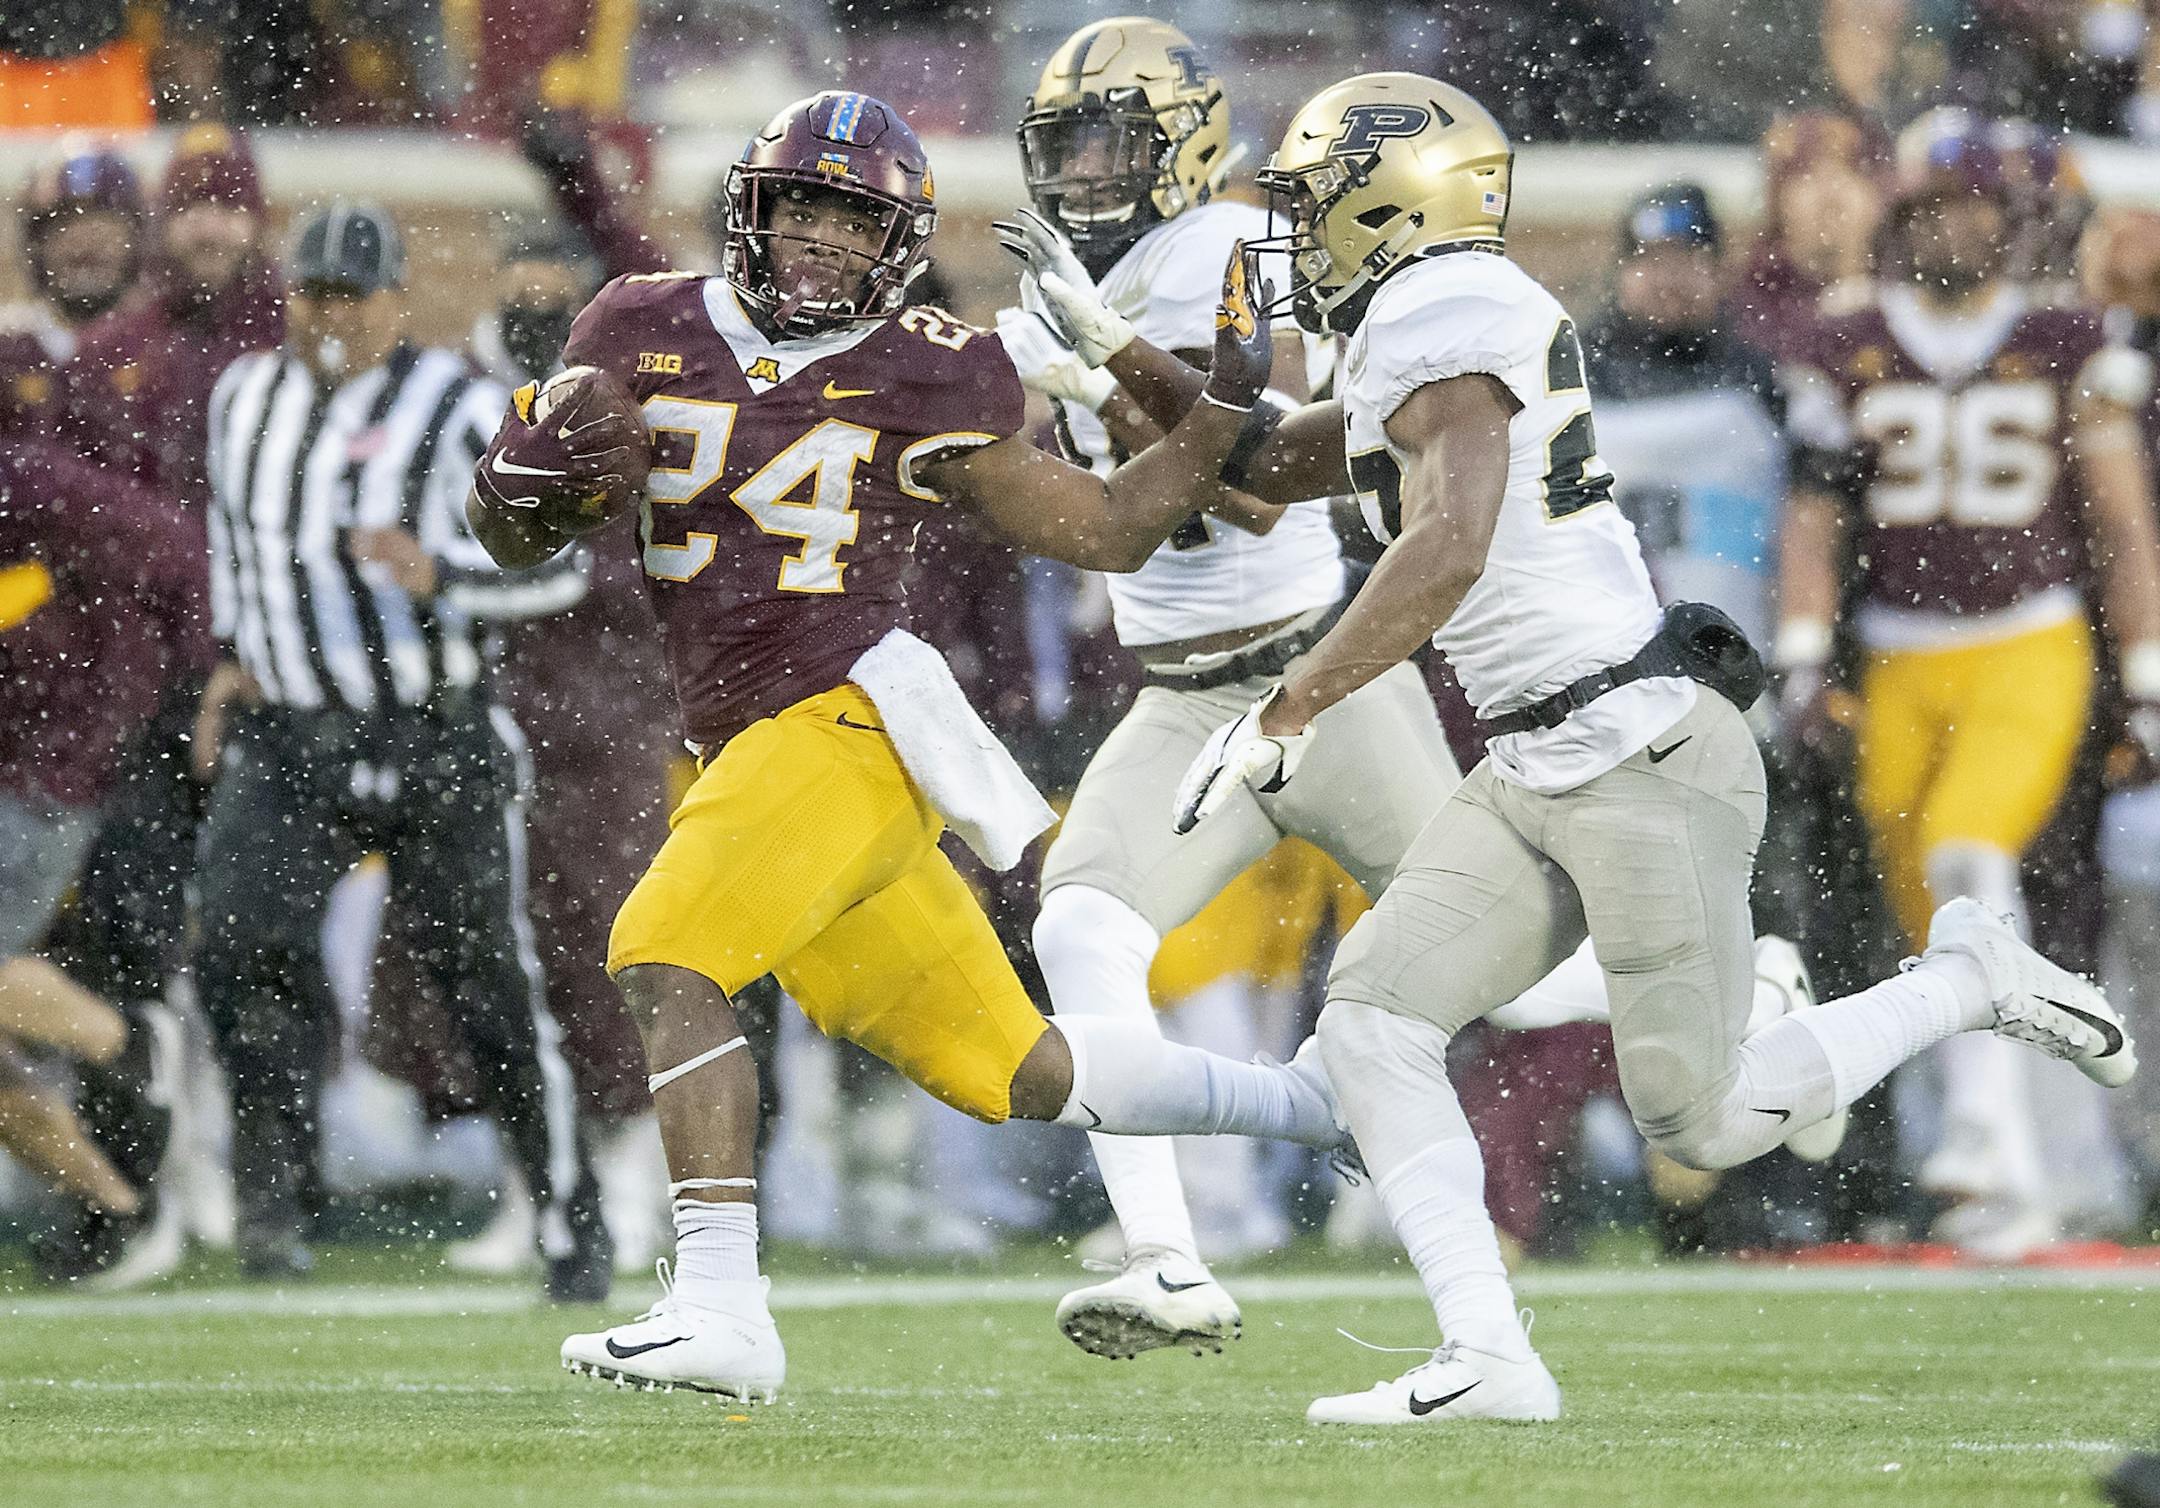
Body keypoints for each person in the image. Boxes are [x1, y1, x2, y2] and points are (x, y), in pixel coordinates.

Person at [1011, 70, 2138, 1424]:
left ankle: (1967, 978)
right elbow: (1257, 465)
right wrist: (1113, 352)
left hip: (1632, 747)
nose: (1291, 232)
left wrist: (1291, 703)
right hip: (1530, 759)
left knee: (1701, 1120)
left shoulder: (1446, 306)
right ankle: (1490, 1355)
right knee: (1371, 1025)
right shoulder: (1402, 323)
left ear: (1395, 200)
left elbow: (1450, 539)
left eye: (1314, 204)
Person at [467, 90, 1366, 1402]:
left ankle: (719, 1305)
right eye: (805, 208)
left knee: (664, 952)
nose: (824, 239)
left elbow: (1108, 528)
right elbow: (514, 537)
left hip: (848, 723)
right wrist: (513, 490)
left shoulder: (930, 365)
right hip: (750, 751)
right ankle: (1323, 1103)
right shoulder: (636, 323)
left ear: (896, 244)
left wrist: (1224, 405)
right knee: (1019, 1070)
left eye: (854, 220)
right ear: (754, 210)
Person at [1006, 22, 1823, 1361]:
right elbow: (1225, 475)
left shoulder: (1274, 265)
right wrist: (1045, 388)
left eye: (1111, 142)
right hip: (1181, 693)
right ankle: (1166, 1255)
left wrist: (1104, 373)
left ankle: (1757, 998)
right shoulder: (1127, 279)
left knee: (1507, 983)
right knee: (1086, 928)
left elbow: (1263, 498)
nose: (1084, 171)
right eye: (1070, 145)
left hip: (1316, 675)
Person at [191, 201, 607, 1293]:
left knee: (487, 982)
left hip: (433, 732)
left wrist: (442, 571)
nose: (330, 316)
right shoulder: (243, 397)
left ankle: (567, 1214)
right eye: (312, 294)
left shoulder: (460, 406)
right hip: (288, 735)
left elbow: (561, 567)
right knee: (242, 949)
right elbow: (234, 543)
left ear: (395, 300)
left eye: (351, 296)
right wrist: (232, 655)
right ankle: (275, 1208)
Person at [1775, 113, 2160, 1258]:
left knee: (1966, 853)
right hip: (1898, 653)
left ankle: (1984, 1143)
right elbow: (1813, 517)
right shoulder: (1846, 343)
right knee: (1933, 918)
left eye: (1979, 207)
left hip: (2030, 641)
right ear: (1903, 220)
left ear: (2014, 218)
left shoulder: (2065, 338)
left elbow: (2121, 526)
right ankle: (2020, 1177)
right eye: (1940, 209)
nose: (1960, 228)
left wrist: (2145, 674)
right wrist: (1803, 652)